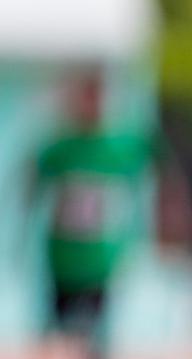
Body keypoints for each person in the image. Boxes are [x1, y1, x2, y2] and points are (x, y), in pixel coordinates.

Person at [34, 70, 162, 359]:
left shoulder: (121, 146)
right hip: (63, 257)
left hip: (101, 260)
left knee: (96, 332)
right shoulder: (60, 148)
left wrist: (158, 226)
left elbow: (159, 168)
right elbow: (32, 183)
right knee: (60, 329)